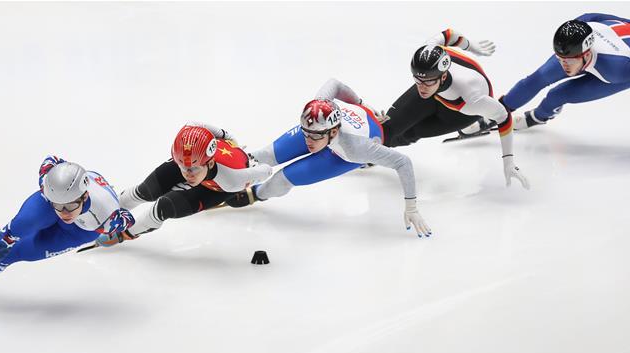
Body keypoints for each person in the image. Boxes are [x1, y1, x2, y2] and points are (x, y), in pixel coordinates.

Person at [0, 156, 134, 314]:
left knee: (20, 253)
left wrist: (116, 228)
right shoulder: (50, 187)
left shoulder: (106, 215)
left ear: (84, 196)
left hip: (83, 229)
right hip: (59, 203)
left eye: (69, 207)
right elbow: (51, 160)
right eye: (58, 206)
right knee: (16, 230)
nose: (63, 213)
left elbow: (127, 221)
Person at [231, 78, 433, 237]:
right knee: (265, 155)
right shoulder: (318, 114)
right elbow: (334, 84)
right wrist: (361, 103)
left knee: (284, 178)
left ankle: (255, 194)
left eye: (314, 136)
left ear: (333, 132)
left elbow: (403, 162)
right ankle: (231, 167)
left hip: (343, 154)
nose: (308, 141)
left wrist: (411, 207)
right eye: (305, 133)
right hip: (337, 127)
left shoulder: (356, 148)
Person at [379, 29, 529, 190]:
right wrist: (472, 47)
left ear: (443, 76)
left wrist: (508, 161)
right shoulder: (429, 54)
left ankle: (369, 156)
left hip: (460, 114)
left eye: (427, 81)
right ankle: (364, 152)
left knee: (410, 133)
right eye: (417, 79)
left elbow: (503, 116)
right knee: (388, 126)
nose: (421, 87)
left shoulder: (471, 97)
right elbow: (449, 34)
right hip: (438, 94)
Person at [93, 123, 272, 247]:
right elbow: (192, 124)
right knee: (145, 191)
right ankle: (107, 210)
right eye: (182, 166)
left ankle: (125, 234)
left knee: (164, 208)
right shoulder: (189, 160)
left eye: (192, 169)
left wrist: (252, 167)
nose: (187, 174)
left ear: (209, 163)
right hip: (206, 164)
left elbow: (266, 171)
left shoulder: (233, 180)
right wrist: (224, 135)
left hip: (217, 188)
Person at [500, 14, 630, 129]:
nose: (563, 64)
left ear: (586, 54)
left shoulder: (616, 69)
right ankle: (500, 109)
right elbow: (593, 15)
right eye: (560, 58)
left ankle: (538, 117)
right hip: (608, 45)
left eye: (568, 60)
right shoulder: (579, 28)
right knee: (539, 77)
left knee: (558, 94)